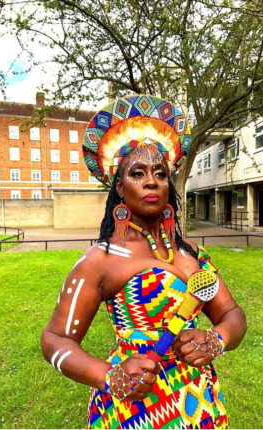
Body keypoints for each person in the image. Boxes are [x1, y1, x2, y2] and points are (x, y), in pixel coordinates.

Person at [41, 95, 247, 429]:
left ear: (169, 185)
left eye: (160, 173)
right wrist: (110, 377)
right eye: (138, 173)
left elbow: (231, 314)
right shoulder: (102, 259)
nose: (151, 181)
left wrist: (217, 339)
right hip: (134, 408)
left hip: (197, 400)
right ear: (119, 187)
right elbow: (54, 339)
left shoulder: (193, 255)